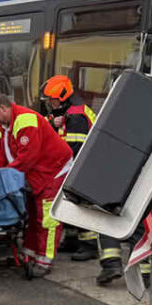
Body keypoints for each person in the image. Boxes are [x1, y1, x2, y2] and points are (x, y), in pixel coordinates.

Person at [0, 93, 73, 278]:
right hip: (36, 172)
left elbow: (28, 157)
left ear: (3, 108)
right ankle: (31, 251)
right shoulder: (4, 126)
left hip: (53, 169)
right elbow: (0, 155)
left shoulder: (25, 120)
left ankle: (45, 259)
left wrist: (5, 176)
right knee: (32, 213)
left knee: (47, 217)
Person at [41, 75, 100, 262]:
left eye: (52, 99)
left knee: (81, 205)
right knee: (69, 202)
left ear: (63, 97)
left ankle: (89, 244)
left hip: (83, 165)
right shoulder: (68, 111)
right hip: (79, 164)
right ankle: (73, 239)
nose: (50, 102)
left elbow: (73, 149)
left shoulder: (76, 116)